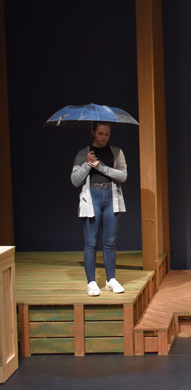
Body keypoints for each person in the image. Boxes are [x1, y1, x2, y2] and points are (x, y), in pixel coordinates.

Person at [71, 122, 127, 296]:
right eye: (100, 133)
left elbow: (123, 175)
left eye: (107, 134)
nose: (103, 137)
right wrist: (88, 164)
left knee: (110, 242)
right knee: (91, 243)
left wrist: (100, 166)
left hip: (111, 197)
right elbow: (75, 180)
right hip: (92, 199)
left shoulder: (116, 152)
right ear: (93, 132)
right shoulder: (84, 153)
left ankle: (111, 280)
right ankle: (92, 282)